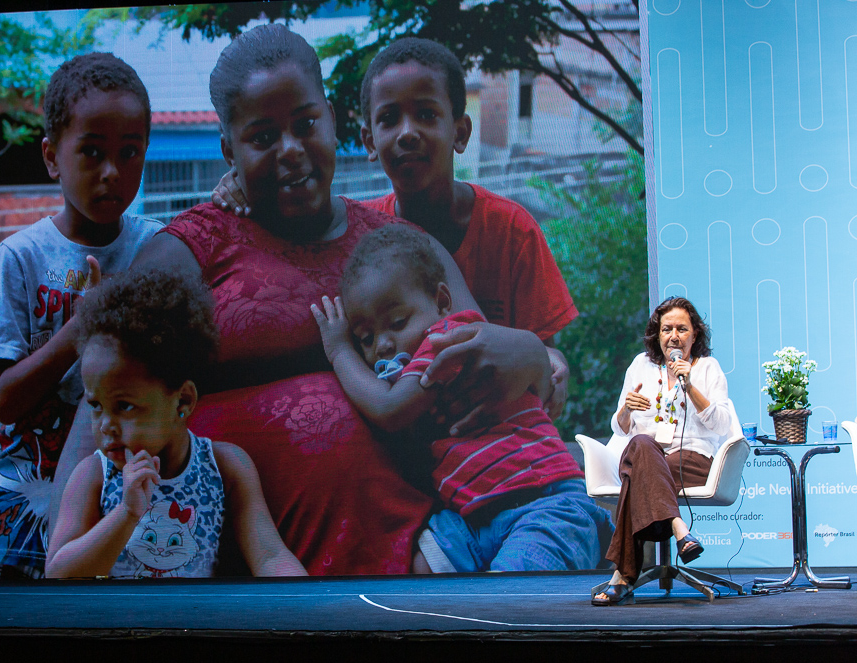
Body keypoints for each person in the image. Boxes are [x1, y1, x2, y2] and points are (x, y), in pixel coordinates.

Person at [51, 24, 557, 576]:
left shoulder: (395, 249)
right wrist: (61, 563)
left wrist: (532, 352)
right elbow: (99, 401)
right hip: (225, 574)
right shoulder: (191, 251)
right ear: (229, 149)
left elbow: (485, 362)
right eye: (263, 138)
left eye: (306, 125)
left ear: (334, 122)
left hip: (424, 559)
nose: (291, 151)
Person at [211, 37, 576, 419]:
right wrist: (238, 185)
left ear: (461, 132)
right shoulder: (361, 238)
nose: (406, 133)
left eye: (426, 115)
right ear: (369, 140)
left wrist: (547, 360)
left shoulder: (512, 231)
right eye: (388, 119)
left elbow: (544, 352)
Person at [311, 225, 610, 572]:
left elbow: (388, 408)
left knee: (514, 595)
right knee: (424, 568)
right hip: (474, 515)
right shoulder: (406, 361)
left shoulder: (447, 340)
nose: (383, 344)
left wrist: (340, 351)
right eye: (365, 337)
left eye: (397, 321)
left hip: (543, 502)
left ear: (441, 303)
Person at [0, 53, 161, 579]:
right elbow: (4, 401)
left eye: (129, 153)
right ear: (52, 157)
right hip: (18, 518)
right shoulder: (21, 258)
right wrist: (80, 331)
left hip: (115, 517)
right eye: (92, 153)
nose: (111, 173)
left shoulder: (156, 248)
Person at [45, 269, 306, 578]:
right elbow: (58, 573)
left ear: (182, 401)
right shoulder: (94, 476)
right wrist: (126, 514)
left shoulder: (224, 467)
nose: (105, 426)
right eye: (96, 406)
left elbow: (270, 557)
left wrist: (314, 606)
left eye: (124, 406)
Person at [591, 297, 731, 605]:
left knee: (635, 477)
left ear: (695, 334)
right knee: (641, 445)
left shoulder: (707, 368)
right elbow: (620, 427)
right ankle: (680, 528)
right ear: (658, 334)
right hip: (645, 455)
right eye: (667, 329)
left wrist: (690, 385)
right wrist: (626, 408)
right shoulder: (640, 365)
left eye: (682, 329)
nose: (674, 336)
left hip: (692, 459)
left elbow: (722, 424)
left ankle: (622, 576)